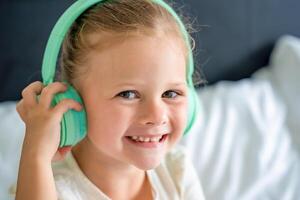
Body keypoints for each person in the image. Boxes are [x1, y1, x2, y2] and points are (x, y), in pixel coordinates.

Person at [14, 0, 205, 199]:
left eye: (171, 94)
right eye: (128, 94)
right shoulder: (51, 188)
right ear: (71, 103)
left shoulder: (176, 171)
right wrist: (36, 156)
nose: (157, 116)